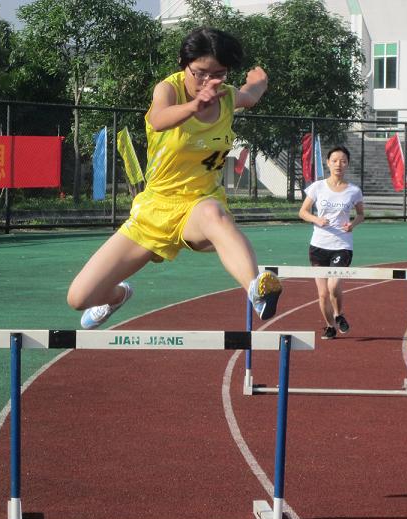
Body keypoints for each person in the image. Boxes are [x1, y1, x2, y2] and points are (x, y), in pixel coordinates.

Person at [67, 27, 281, 329]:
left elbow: (250, 96)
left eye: (219, 74)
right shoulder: (168, 90)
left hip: (199, 207)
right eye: (201, 73)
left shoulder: (227, 97)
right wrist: (194, 106)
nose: (209, 82)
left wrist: (258, 83)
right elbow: (158, 119)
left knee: (213, 213)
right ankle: (116, 296)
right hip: (154, 211)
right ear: (184, 64)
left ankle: (257, 289)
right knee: (79, 297)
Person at [298, 145, 364, 340]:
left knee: (333, 285)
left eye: (343, 161)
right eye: (334, 161)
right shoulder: (317, 187)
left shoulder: (354, 191)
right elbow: (302, 212)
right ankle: (329, 326)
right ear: (328, 163)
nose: (338, 164)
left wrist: (352, 224)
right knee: (322, 294)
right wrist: (316, 219)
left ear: (347, 164)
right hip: (318, 246)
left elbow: (361, 215)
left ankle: (338, 314)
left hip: (342, 246)